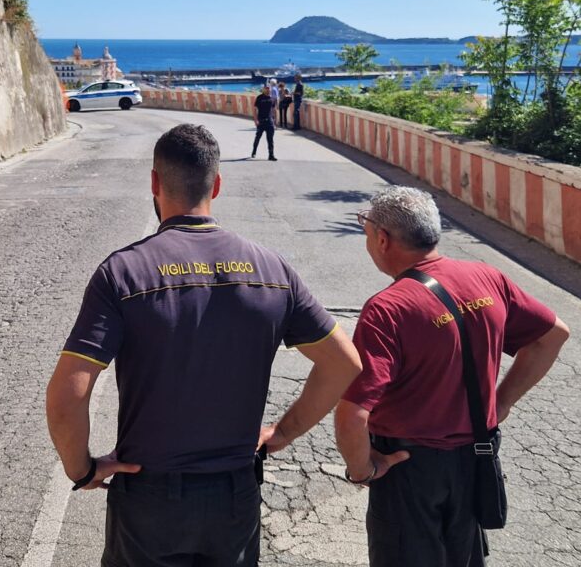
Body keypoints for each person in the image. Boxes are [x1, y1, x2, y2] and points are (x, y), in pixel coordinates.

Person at [46, 123, 362, 566]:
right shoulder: (273, 270)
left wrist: (81, 469)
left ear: (155, 183)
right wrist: (283, 432)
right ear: (217, 184)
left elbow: (67, 396)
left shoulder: (123, 273)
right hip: (234, 494)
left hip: (149, 497)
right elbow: (344, 364)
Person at [334, 186, 570, 567]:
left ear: (382, 239)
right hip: (476, 458)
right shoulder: (487, 277)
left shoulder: (388, 308)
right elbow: (553, 334)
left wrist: (363, 471)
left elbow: (352, 415)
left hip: (408, 465)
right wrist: (501, 401)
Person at [252, 84, 277, 160]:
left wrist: (275, 121)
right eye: (266, 89)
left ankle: (271, 155)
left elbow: (274, 110)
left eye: (269, 89)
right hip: (261, 121)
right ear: (263, 89)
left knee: (270, 139)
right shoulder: (259, 98)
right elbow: (255, 110)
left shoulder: (272, 99)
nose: (268, 90)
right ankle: (254, 151)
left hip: (269, 121)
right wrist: (255, 120)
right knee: (258, 137)